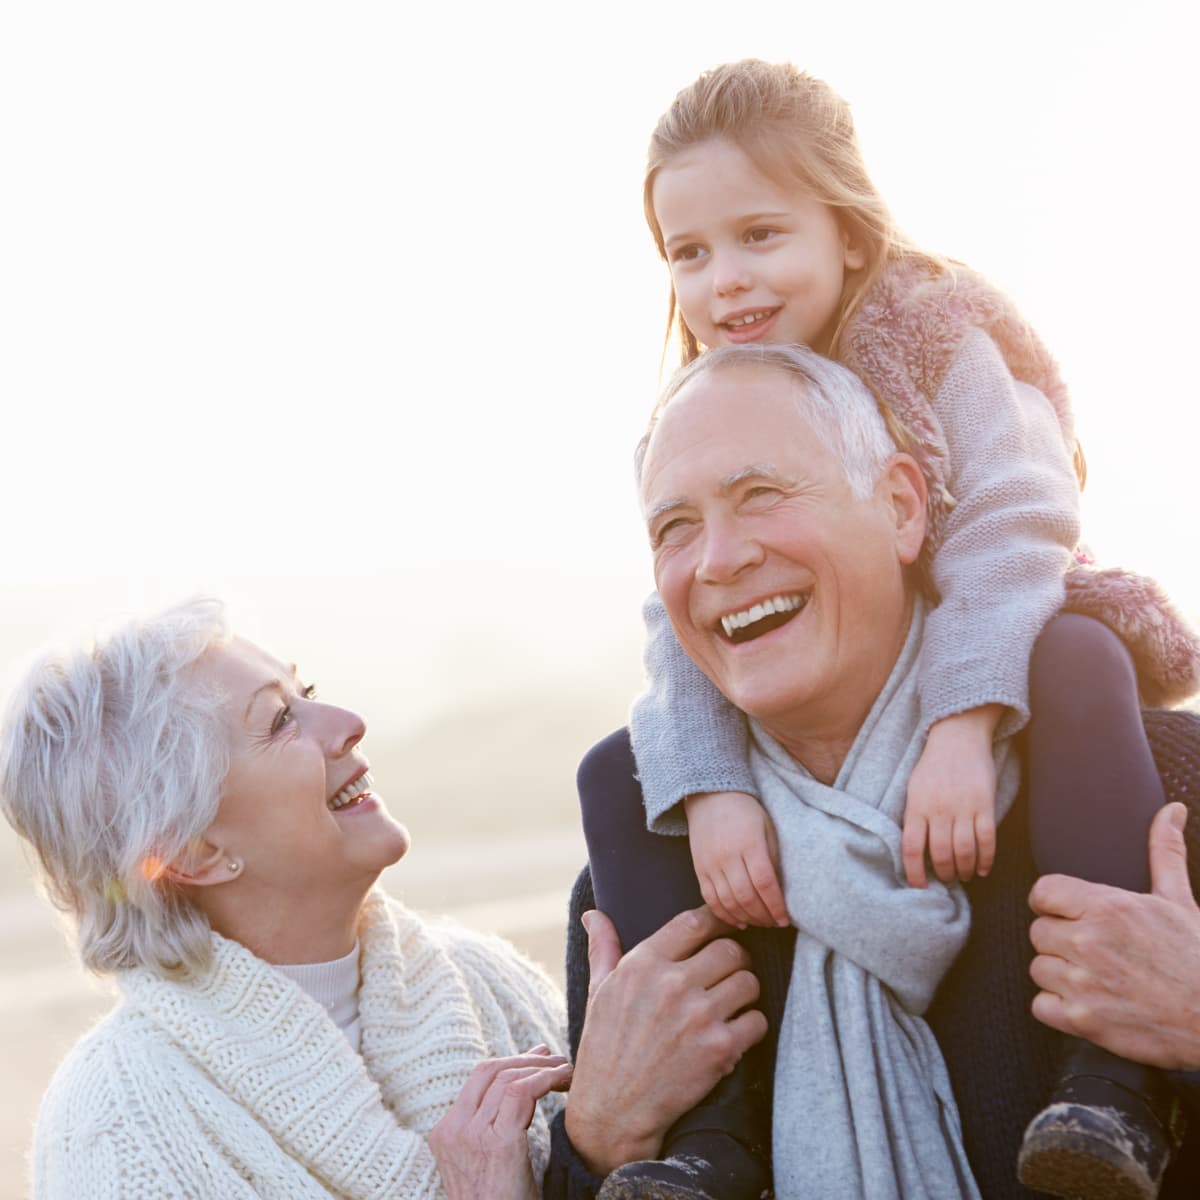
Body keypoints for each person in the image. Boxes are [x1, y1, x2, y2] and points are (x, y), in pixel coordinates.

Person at [579, 58, 1200, 1200]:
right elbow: (677, 629)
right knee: (622, 769)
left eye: (761, 233)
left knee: (1073, 656)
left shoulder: (935, 329)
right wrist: (713, 787)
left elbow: (1019, 520)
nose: (725, 281)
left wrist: (964, 723)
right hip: (844, 723)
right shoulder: (697, 406)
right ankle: (705, 1141)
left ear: (849, 231)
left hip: (1011, 621)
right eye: (689, 253)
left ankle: (1116, 1074)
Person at [0, 599, 763, 1199]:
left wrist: (596, 1151)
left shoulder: (483, 981)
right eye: (278, 721)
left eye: (310, 693)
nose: (346, 724)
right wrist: (599, 1136)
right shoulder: (115, 1127)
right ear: (195, 852)